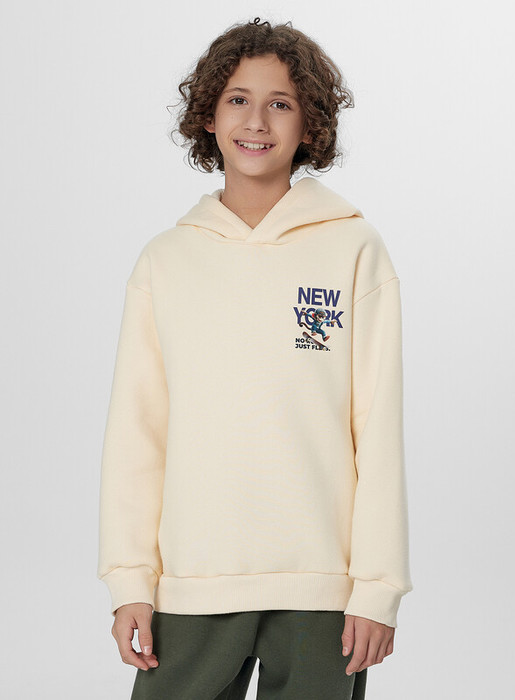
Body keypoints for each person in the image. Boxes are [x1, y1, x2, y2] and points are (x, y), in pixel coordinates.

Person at [97, 16, 413, 699]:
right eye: (238, 98)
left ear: (309, 125)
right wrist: (129, 580)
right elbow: (137, 434)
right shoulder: (165, 261)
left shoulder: (354, 249)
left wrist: (377, 588)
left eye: (281, 103)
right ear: (208, 116)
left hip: (322, 588)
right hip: (192, 579)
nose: (257, 122)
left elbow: (377, 428)